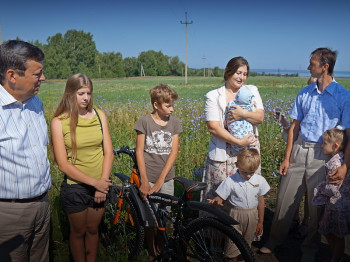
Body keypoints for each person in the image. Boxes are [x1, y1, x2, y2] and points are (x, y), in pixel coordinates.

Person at [260, 48, 350, 262]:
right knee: (284, 198)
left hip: (324, 156)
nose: (309, 67)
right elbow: (293, 127)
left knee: (316, 205)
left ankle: (310, 249)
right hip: (300, 149)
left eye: (312, 63)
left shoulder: (343, 96)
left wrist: (346, 165)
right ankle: (274, 241)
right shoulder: (304, 93)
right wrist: (286, 157)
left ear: (325, 67)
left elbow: (348, 134)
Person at [50, 73, 113, 262]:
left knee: (93, 230)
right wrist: (95, 183)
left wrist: (102, 183)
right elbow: (62, 164)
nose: (86, 98)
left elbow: (108, 152)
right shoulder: (59, 122)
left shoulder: (100, 116)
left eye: (89, 93)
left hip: (101, 184)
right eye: (81, 93)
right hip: (76, 186)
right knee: (78, 232)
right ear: (70, 94)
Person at [0, 40, 51, 262]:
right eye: (37, 73)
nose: (43, 78)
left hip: (42, 205)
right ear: (12, 76)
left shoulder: (35, 103)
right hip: (9, 214)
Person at [201, 56, 264, 210]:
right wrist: (237, 142)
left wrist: (242, 114)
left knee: (246, 193)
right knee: (219, 197)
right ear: (228, 72)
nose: (241, 77)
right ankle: (214, 233)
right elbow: (213, 127)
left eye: (244, 74)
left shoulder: (251, 91)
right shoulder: (214, 96)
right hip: (223, 154)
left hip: (248, 152)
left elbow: (260, 117)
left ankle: (243, 229)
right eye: (238, 73)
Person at [134, 83, 182, 261]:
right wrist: (145, 181)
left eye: (172, 105)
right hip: (148, 177)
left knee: (165, 215)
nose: (172, 109)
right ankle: (151, 248)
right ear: (156, 105)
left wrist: (162, 180)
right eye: (168, 105)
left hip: (166, 179)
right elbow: (139, 151)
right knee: (149, 218)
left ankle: (163, 246)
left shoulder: (175, 122)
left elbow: (174, 152)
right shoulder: (144, 122)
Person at [208, 147, 270, 262]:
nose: (248, 176)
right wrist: (216, 201)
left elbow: (261, 202)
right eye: (244, 172)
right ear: (236, 165)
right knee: (231, 247)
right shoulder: (230, 181)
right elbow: (220, 197)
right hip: (235, 216)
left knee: (246, 247)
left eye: (251, 173)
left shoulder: (259, 180)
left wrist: (260, 221)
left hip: (252, 216)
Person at [312, 128, 350, 262]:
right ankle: (336, 257)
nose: (322, 145)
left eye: (324, 143)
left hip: (337, 207)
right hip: (337, 205)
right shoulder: (340, 159)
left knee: (336, 235)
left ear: (335, 146)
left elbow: (332, 189)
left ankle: (337, 259)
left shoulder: (335, 163)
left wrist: (319, 189)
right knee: (330, 233)